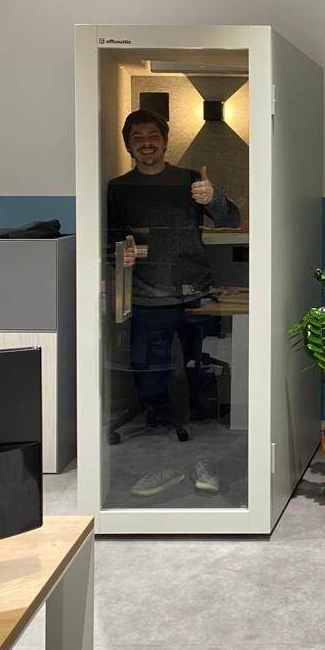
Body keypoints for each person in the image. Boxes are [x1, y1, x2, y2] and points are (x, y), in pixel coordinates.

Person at [107, 109, 240, 496]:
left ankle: (205, 461)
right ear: (128, 144)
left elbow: (231, 220)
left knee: (204, 381)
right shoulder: (118, 188)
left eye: (153, 135)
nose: (146, 143)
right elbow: (110, 240)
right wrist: (120, 253)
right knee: (151, 383)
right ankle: (161, 465)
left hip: (197, 296)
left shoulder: (188, 182)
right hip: (148, 299)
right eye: (137, 138)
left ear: (165, 140)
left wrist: (213, 198)